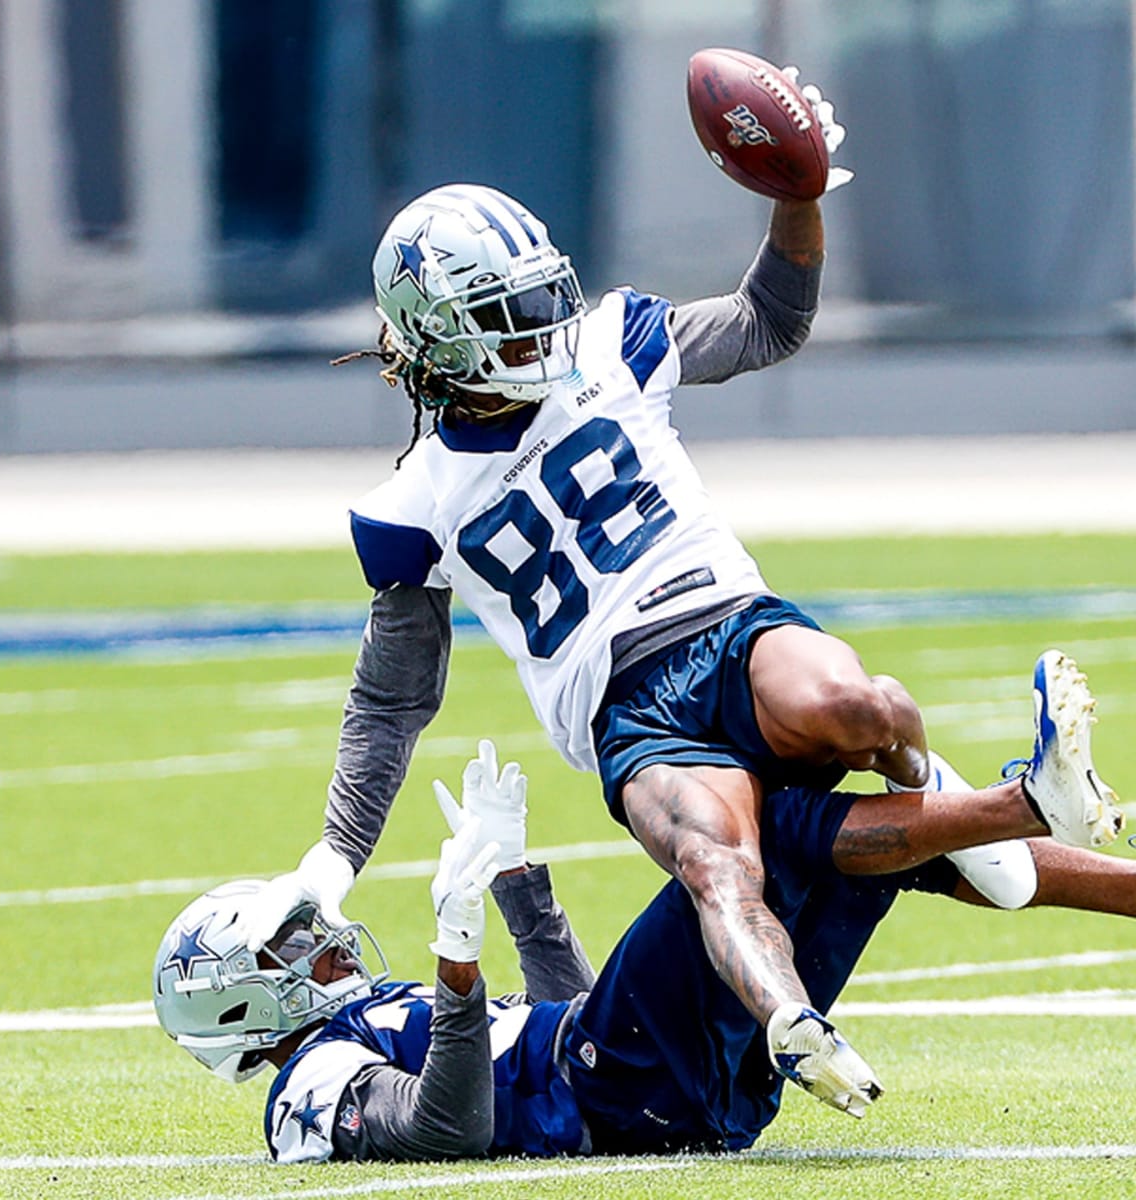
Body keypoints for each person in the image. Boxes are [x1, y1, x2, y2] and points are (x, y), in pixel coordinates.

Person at [234, 61, 1124, 1111]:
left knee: (858, 706)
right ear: (438, 339)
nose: (539, 325)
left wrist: (797, 200)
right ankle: (800, 1021)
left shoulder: (610, 344)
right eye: (504, 313)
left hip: (727, 626)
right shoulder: (409, 506)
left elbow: (768, 321)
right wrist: (333, 858)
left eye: (536, 297)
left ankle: (959, 808)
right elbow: (391, 702)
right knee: (719, 861)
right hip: (628, 712)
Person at [157, 674, 1129, 1162]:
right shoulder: (308, 1093)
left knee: (867, 852)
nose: (325, 945)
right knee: (773, 821)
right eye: (294, 950)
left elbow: (557, 1022)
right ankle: (1025, 802)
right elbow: (451, 1123)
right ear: (238, 1007)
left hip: (656, 1082)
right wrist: (457, 962)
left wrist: (518, 884)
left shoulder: (348, 1028)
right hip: (623, 1089)